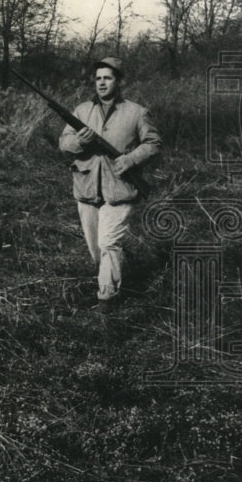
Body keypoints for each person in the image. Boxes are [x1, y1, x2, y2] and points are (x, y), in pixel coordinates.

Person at [58, 57, 162, 310]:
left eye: (108, 78)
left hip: (120, 188)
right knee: (96, 248)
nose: (102, 83)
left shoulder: (136, 112)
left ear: (118, 81)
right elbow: (64, 143)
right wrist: (80, 142)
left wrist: (132, 159)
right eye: (98, 78)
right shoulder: (82, 111)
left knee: (108, 243)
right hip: (87, 188)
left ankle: (107, 298)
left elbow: (154, 144)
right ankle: (111, 275)